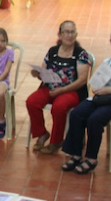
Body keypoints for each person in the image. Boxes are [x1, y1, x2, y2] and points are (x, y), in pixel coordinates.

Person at [60, 27, 111, 176]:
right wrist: (98, 88)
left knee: (95, 118)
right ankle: (76, 154)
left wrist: (110, 90)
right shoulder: (108, 62)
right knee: (77, 113)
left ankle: (91, 158)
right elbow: (97, 83)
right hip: (103, 98)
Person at [26, 20, 92, 154]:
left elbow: (82, 80)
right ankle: (42, 133)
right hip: (50, 87)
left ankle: (56, 142)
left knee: (59, 107)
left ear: (76, 34)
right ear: (60, 35)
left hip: (72, 90)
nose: (69, 35)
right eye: (66, 32)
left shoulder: (81, 54)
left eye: (72, 32)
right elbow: (44, 72)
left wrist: (61, 90)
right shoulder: (53, 51)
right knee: (31, 102)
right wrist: (38, 74)